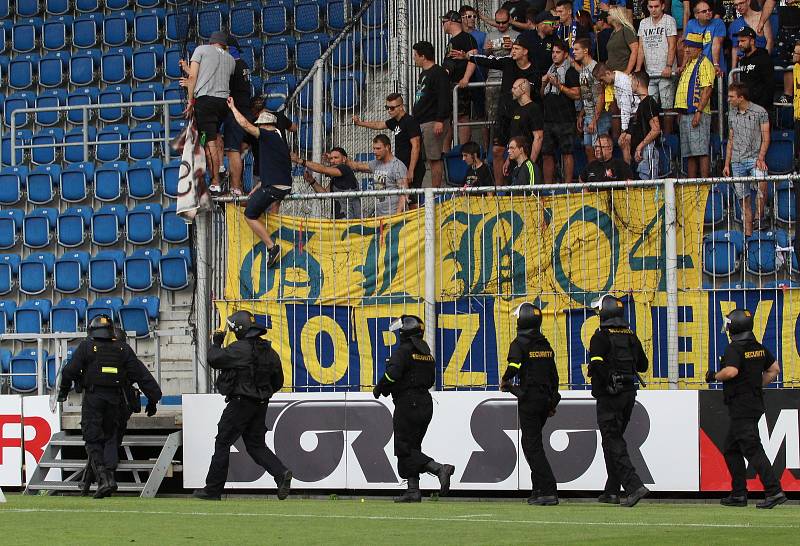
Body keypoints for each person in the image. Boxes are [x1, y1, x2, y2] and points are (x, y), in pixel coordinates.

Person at [58, 315, 162, 499]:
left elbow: (69, 371)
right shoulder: (123, 349)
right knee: (111, 437)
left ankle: (104, 479)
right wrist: (153, 399)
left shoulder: (87, 346)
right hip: (115, 401)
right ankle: (108, 477)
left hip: (94, 398)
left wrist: (63, 392)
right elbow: (142, 375)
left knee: (92, 438)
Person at [193, 310, 292, 501]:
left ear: (240, 329)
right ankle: (281, 473)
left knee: (222, 442)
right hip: (260, 404)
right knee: (256, 446)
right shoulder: (269, 351)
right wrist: (261, 392)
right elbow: (278, 381)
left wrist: (216, 341)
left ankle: (212, 490)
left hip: (240, 403)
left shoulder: (240, 349)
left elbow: (214, 358)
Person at [705, 309, 787, 509]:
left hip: (741, 405)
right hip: (754, 402)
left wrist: (714, 376)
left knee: (751, 447)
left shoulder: (735, 348)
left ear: (734, 327)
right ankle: (739, 493)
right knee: (731, 448)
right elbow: (774, 369)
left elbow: (731, 371)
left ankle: (774, 491)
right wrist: (756, 384)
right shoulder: (758, 347)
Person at [373, 315, 456, 503]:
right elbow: (429, 380)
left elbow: (392, 375)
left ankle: (439, 468)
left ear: (405, 332)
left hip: (408, 403)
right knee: (413, 447)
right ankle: (413, 490)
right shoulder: (427, 354)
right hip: (426, 403)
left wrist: (380, 388)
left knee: (403, 448)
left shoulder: (403, 352)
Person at [587, 294, 650, 508]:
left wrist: (608, 379)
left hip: (609, 395)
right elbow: (643, 365)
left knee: (613, 441)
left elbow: (596, 365)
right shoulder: (631, 336)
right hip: (629, 394)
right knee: (612, 441)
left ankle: (633, 486)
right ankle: (612, 491)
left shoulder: (600, 336)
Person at [456, 36, 540, 185]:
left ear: (525, 51)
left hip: (524, 117)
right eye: (512, 48)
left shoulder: (535, 71)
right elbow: (489, 60)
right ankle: (500, 190)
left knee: (520, 152)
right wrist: (469, 56)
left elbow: (535, 95)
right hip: (504, 114)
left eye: (516, 49)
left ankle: (524, 183)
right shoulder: (508, 62)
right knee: (496, 151)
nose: (512, 51)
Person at [500, 303, 560, 506]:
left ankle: (549, 490)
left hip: (530, 400)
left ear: (521, 320)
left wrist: (505, 379)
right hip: (546, 399)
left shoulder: (519, 343)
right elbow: (554, 375)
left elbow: (514, 366)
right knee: (535, 443)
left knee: (532, 446)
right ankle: (538, 490)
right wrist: (552, 401)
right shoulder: (544, 344)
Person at [228, 98, 292, 268]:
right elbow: (270, 173)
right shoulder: (278, 141)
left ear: (265, 125)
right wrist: (255, 190)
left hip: (275, 187)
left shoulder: (267, 135)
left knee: (250, 213)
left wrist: (233, 107)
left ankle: (272, 246)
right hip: (279, 185)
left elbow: (245, 124)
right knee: (255, 203)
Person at [180, 31, 236, 193]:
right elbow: (210, 73)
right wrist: (187, 68)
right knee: (216, 135)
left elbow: (193, 78)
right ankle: (219, 168)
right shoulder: (230, 59)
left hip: (206, 102)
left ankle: (215, 182)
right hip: (223, 104)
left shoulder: (201, 50)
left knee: (209, 141)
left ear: (211, 42)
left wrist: (191, 101)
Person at [353, 93, 425, 198]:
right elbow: (378, 125)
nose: (389, 111)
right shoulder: (395, 122)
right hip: (401, 167)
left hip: (412, 167)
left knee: (411, 200)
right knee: (402, 198)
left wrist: (411, 170)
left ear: (401, 107)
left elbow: (416, 146)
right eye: (387, 107)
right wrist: (360, 123)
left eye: (392, 108)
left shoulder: (410, 121)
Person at [723, 82, 771, 237]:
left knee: (762, 180)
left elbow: (766, 137)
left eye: (731, 97)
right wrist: (726, 164)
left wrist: (761, 157)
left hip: (754, 158)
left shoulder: (760, 112)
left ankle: (759, 217)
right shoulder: (731, 113)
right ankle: (748, 236)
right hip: (736, 161)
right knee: (743, 201)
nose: (728, 99)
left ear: (741, 97)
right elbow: (730, 139)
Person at [412, 41, 451, 188]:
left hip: (432, 121)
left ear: (423, 56)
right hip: (422, 120)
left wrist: (439, 120)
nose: (414, 58)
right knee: (428, 158)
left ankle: (435, 191)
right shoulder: (423, 73)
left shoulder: (438, 72)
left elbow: (443, 97)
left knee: (434, 158)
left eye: (415, 55)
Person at [674, 37, 714, 178]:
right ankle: (691, 184)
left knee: (701, 151)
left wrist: (698, 112)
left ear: (698, 49)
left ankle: (704, 182)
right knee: (689, 153)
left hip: (697, 113)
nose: (686, 50)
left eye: (690, 47)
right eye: (685, 47)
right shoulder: (689, 64)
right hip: (685, 114)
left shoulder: (704, 63)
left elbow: (707, 89)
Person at [541, 40, 580, 184]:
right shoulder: (549, 70)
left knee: (567, 153)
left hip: (566, 118)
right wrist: (544, 83)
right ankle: (547, 187)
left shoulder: (571, 71)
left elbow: (577, 94)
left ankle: (568, 186)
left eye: (558, 52)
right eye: (553, 52)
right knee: (546, 154)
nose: (554, 55)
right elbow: (541, 95)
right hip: (549, 118)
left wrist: (559, 85)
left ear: (565, 55)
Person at [636, 0, 677, 134]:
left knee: (667, 108)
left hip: (665, 72)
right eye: (651, 7)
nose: (653, 9)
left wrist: (669, 66)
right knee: (649, 108)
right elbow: (641, 48)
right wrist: (637, 69)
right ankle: (653, 137)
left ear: (663, 6)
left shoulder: (669, 20)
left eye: (656, 6)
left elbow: (672, 45)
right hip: (649, 74)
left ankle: (667, 138)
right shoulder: (643, 23)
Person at [441, 10, 479, 147]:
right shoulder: (453, 40)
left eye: (444, 22)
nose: (442, 25)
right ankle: (446, 151)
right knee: (449, 119)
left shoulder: (466, 38)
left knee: (462, 118)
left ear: (450, 22)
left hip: (459, 85)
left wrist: (465, 78)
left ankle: (464, 150)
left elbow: (473, 58)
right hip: (450, 84)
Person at [347, 134, 409, 217]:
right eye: (374, 148)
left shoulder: (397, 166)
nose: (375, 152)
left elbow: (404, 193)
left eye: (378, 148)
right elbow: (358, 166)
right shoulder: (376, 164)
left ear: (387, 147)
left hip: (395, 216)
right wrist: (343, 160)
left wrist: (396, 216)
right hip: (380, 216)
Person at [290, 147, 360, 220]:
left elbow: (323, 169)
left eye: (336, 158)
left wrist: (299, 160)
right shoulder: (336, 178)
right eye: (331, 158)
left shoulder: (345, 168)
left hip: (351, 219)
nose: (333, 161)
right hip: (339, 219)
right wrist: (312, 181)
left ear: (344, 159)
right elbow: (324, 194)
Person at [222, 37, 252, 197]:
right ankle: (237, 183)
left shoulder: (233, 65)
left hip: (236, 112)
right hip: (245, 111)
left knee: (232, 151)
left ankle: (236, 187)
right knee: (240, 148)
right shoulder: (244, 65)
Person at [593, 63, 638, 164]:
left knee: (624, 142)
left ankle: (629, 174)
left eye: (602, 79)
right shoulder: (617, 77)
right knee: (624, 144)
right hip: (631, 116)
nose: (602, 83)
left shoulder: (622, 82)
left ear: (608, 73)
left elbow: (626, 107)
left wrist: (624, 130)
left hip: (635, 116)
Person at [574, 38, 609, 161]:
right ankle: (593, 176)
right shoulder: (582, 69)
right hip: (588, 115)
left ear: (585, 51)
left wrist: (595, 119)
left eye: (576, 49)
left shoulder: (594, 67)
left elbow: (601, 96)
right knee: (588, 148)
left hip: (598, 116)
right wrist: (581, 115)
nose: (574, 52)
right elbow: (587, 94)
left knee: (599, 150)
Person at [757, 0, 799, 103]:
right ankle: (788, 94)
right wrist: (762, 22)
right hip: (785, 29)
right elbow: (770, 2)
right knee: (786, 63)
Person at [628, 71, 662, 179]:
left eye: (632, 81)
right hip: (642, 152)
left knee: (648, 187)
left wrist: (640, 146)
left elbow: (656, 129)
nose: (630, 84)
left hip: (647, 152)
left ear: (637, 82)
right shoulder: (642, 104)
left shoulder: (649, 102)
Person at [734, 27, 775, 115]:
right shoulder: (743, 60)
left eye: (743, 41)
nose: (740, 44)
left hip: (762, 109)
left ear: (752, 41)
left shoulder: (763, 58)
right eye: (739, 41)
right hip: (747, 108)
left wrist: (761, 107)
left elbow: (770, 85)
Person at [683, 1, 726, 77]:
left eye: (709, 10)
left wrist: (715, 64)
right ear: (696, 15)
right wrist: (683, 66)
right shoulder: (691, 24)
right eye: (704, 11)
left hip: (713, 68)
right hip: (696, 69)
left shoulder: (718, 23)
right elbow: (688, 47)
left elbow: (716, 44)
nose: (708, 12)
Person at [508, 79, 544, 167]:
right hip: (516, 162)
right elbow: (514, 137)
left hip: (527, 159)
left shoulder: (534, 109)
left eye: (514, 88)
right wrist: (508, 160)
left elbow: (538, 137)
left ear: (523, 89)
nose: (512, 90)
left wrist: (530, 163)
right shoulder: (516, 110)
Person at [729, 0, 773, 69]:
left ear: (748, 1)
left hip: (762, 62)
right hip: (745, 65)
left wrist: (764, 61)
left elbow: (770, 41)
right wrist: (733, 68)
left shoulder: (762, 17)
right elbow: (735, 48)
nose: (739, 7)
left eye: (741, 3)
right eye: (736, 5)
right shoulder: (735, 24)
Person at [606, 6, 639, 75]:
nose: (606, 17)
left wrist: (628, 71)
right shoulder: (613, 33)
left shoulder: (626, 30)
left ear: (615, 16)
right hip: (613, 74)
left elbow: (635, 50)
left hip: (623, 73)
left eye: (609, 15)